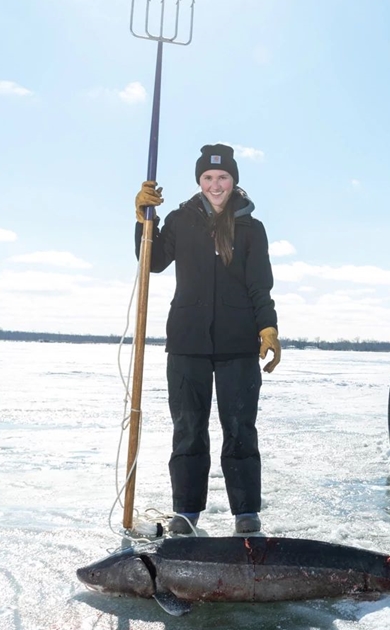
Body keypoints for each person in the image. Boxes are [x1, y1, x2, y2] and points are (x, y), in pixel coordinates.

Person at [133, 143, 280, 536]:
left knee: (240, 429)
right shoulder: (181, 220)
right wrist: (144, 220)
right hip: (187, 343)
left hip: (238, 345)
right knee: (188, 429)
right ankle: (186, 513)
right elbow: (152, 262)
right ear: (200, 181)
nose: (216, 185)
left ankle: (245, 513)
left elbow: (260, 285)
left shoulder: (251, 227)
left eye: (223, 178)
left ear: (234, 181)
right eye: (209, 178)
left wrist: (268, 326)